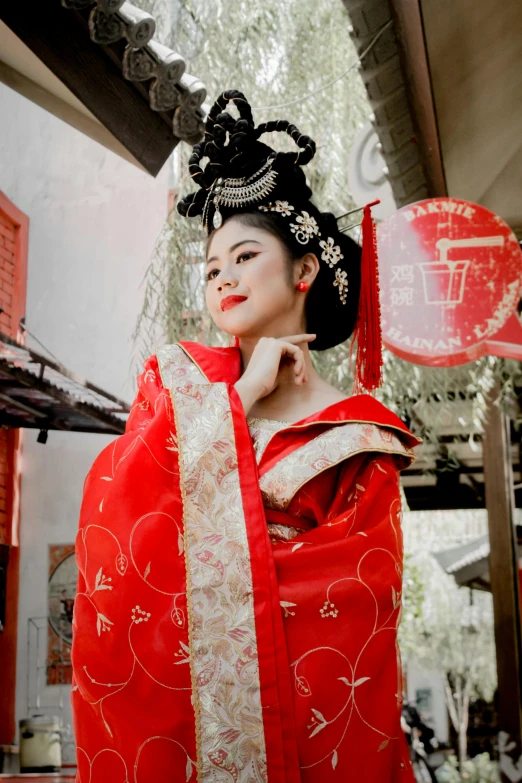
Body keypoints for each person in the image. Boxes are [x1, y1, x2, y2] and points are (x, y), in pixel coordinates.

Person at [71, 90, 420, 782]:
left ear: (305, 268)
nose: (223, 275)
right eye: (211, 267)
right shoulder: (177, 385)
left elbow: (353, 617)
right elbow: (115, 519)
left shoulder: (359, 436)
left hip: (308, 740)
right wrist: (242, 396)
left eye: (245, 254)